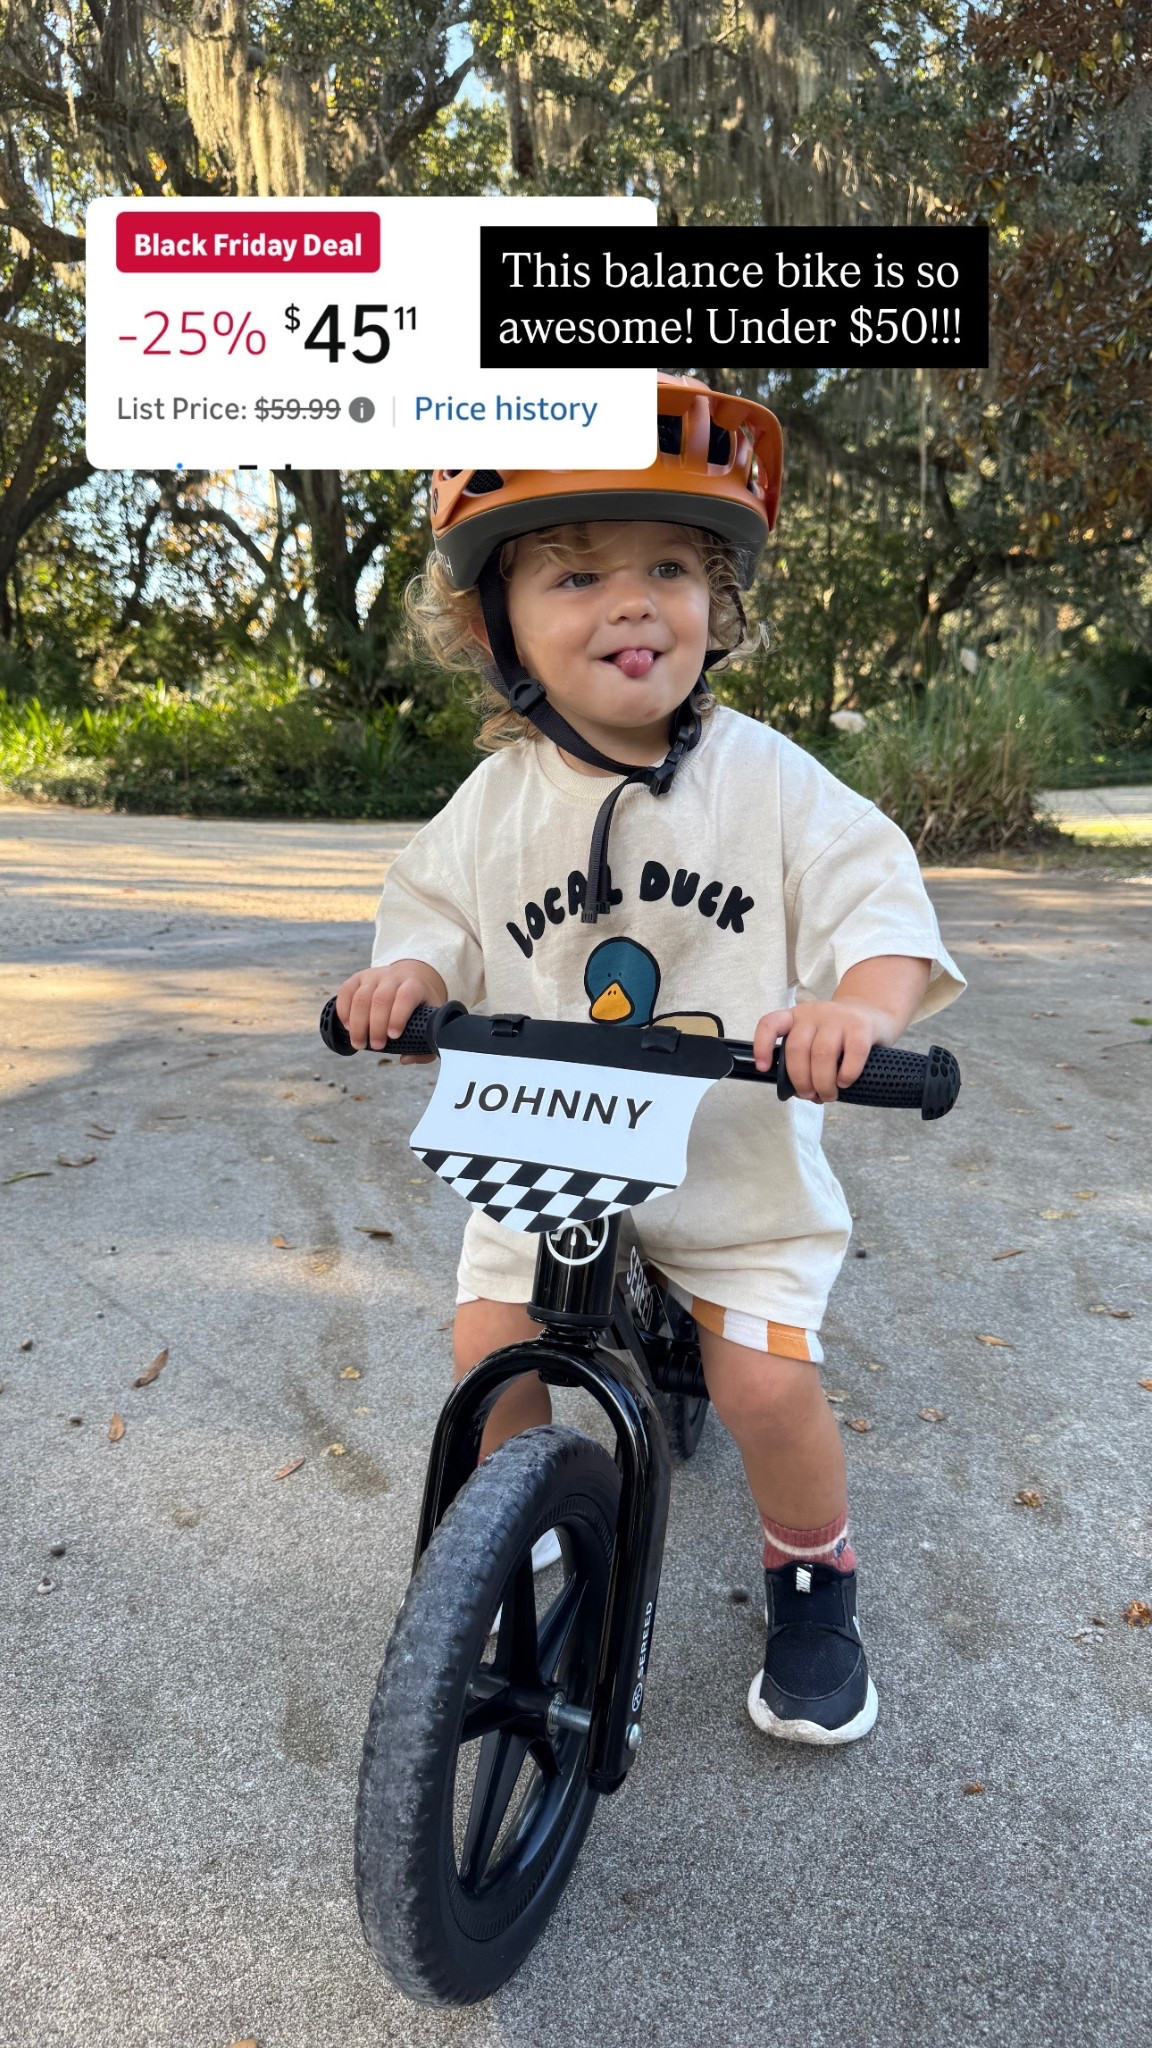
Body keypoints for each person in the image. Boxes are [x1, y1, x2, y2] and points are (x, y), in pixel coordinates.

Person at [334, 374, 964, 1746]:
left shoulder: (772, 782)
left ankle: (812, 1566)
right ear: (495, 622)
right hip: (547, 1139)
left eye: (670, 566)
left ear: (718, 601)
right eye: (574, 574)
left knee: (759, 1379)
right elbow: (431, 920)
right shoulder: (492, 802)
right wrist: (408, 982)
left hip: (728, 1165)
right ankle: (512, 1552)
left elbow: (881, 904)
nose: (632, 601)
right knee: (491, 1349)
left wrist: (859, 1007)